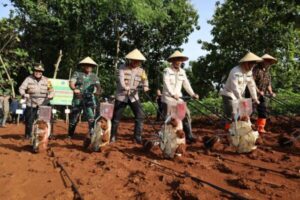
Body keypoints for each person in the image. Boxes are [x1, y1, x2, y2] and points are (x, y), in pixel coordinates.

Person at [110, 49, 149, 144]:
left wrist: (146, 86)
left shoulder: (141, 71)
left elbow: (145, 80)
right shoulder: (122, 68)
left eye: (138, 61)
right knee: (116, 118)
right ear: (130, 60)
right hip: (122, 96)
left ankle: (137, 137)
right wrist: (125, 87)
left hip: (134, 96)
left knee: (140, 116)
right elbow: (121, 80)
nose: (136, 62)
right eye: (134, 60)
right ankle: (113, 136)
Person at [161, 50, 199, 144]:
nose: (179, 62)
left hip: (179, 98)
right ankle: (166, 136)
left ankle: (189, 135)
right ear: (172, 61)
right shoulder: (167, 71)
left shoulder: (182, 72)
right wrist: (172, 94)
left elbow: (186, 84)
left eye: (180, 60)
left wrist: (192, 94)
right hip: (168, 98)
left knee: (186, 114)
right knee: (169, 118)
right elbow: (166, 83)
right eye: (177, 60)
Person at [220, 52, 261, 131]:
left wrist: (255, 98)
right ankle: (229, 132)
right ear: (246, 63)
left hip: (239, 96)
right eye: (251, 64)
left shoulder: (249, 72)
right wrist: (241, 99)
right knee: (232, 114)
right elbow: (234, 87)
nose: (252, 67)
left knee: (243, 114)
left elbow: (251, 85)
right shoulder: (235, 71)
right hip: (229, 94)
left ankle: (239, 130)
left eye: (254, 65)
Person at [68, 57, 101, 147]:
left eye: (91, 66)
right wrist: (74, 89)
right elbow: (71, 83)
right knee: (74, 118)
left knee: (91, 117)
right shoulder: (77, 73)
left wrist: (98, 91)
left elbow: (98, 85)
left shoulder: (94, 76)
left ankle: (91, 135)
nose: (89, 67)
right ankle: (70, 134)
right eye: (87, 65)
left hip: (89, 98)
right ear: (83, 66)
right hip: (78, 98)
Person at [19, 63, 54, 139]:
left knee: (48, 119)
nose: (38, 72)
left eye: (40, 71)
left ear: (42, 72)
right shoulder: (28, 79)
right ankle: (28, 134)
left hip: (44, 102)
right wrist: (24, 94)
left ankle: (49, 134)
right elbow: (21, 88)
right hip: (32, 102)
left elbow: (51, 90)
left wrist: (51, 95)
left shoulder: (47, 80)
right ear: (34, 71)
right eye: (36, 71)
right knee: (29, 120)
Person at [253, 54, 277, 133]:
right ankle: (242, 127)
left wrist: (271, 92)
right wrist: (258, 91)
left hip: (262, 95)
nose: (269, 63)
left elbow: (268, 84)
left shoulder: (267, 73)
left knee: (263, 110)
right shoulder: (256, 70)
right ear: (263, 61)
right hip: (252, 94)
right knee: (248, 111)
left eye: (270, 62)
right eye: (268, 61)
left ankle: (260, 128)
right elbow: (251, 82)